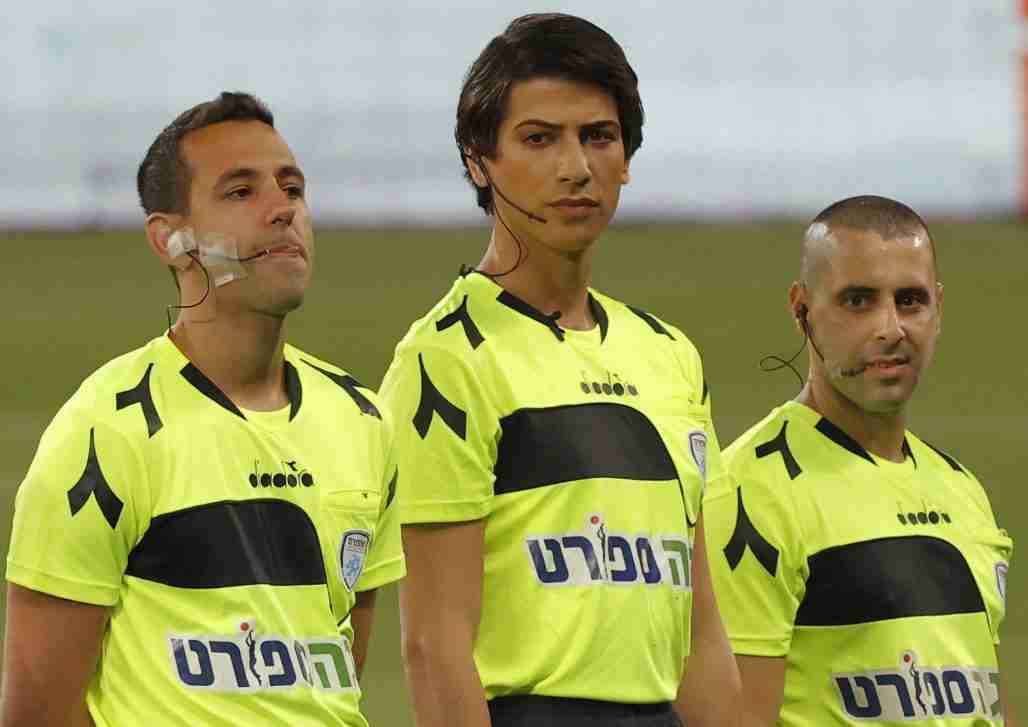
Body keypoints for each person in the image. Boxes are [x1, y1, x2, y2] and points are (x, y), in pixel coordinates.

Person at [379, 14, 740, 727]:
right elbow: (434, 643)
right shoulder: (445, 362)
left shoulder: (668, 355)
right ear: (478, 159)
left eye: (598, 137)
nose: (575, 167)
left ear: (628, 156)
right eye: (539, 139)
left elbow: (699, 631)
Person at [2, 92, 404, 727]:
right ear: (171, 240)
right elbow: (36, 714)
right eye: (241, 193)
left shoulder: (364, 421)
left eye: (292, 188)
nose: (282, 210)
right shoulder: (104, 432)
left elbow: (335, 679)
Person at [704, 195, 1016, 726]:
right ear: (801, 308)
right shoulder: (750, 491)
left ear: (938, 309)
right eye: (858, 301)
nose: (890, 328)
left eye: (911, 300)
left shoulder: (963, 492)